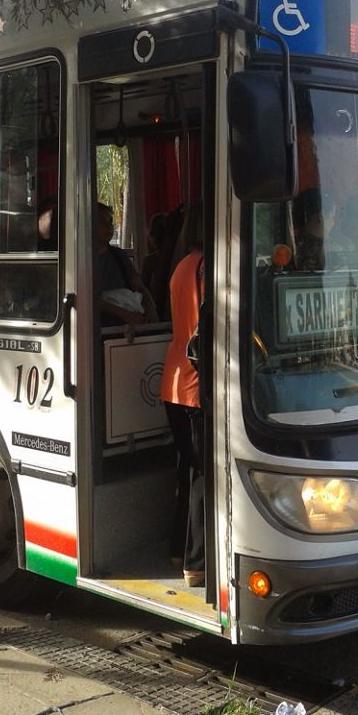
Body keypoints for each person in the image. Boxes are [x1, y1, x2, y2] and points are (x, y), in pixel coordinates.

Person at [160, 204, 205, 587]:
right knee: (200, 474)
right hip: (195, 385)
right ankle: (196, 561)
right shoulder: (209, 268)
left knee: (186, 470)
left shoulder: (183, 265)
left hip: (173, 380)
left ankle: (179, 548)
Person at [95, 202, 158, 325]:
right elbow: (85, 299)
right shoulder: (82, 260)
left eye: (110, 221)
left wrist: (151, 309)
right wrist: (122, 313)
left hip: (125, 331)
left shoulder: (119, 256)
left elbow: (139, 287)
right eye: (102, 222)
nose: (109, 227)